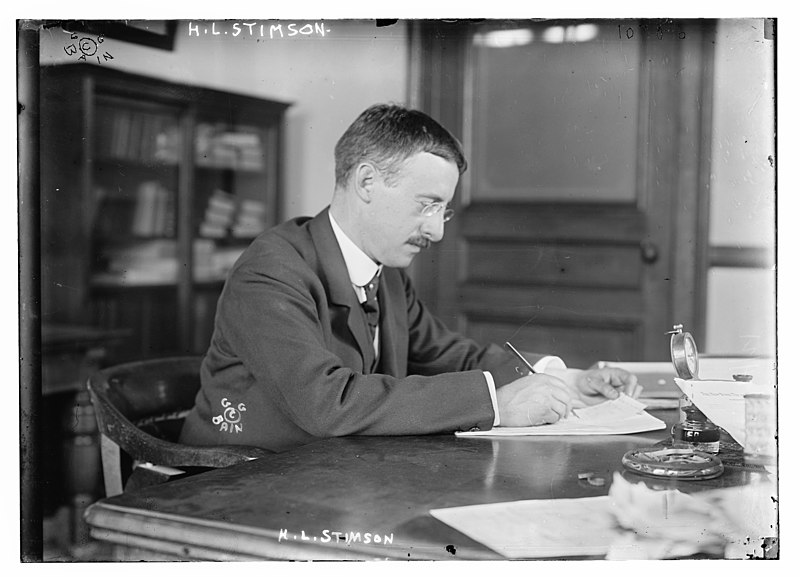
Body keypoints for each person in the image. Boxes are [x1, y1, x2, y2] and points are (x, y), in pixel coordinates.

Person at [180, 103, 639, 453]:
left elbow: (451, 355)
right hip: (234, 484)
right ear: (366, 183)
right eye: (426, 204)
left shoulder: (387, 273)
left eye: (443, 209)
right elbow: (326, 401)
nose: (437, 231)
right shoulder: (270, 271)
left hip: (330, 473)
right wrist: (499, 405)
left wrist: (558, 379)